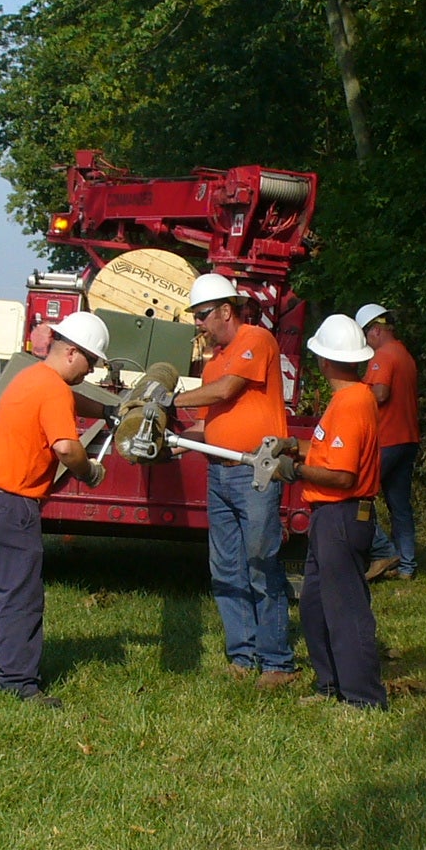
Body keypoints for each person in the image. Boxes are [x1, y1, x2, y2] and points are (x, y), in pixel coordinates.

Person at [0, 311, 112, 705]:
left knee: (9, 588)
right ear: (72, 353)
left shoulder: (33, 376)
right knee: (24, 594)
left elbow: (70, 397)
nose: (91, 371)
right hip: (12, 499)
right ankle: (19, 681)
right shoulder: (53, 389)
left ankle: (0, 664)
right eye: (91, 362)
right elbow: (66, 447)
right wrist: (89, 472)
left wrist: (105, 411)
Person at [169, 273, 299, 688]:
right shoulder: (212, 364)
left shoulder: (256, 340)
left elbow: (227, 391)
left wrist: (168, 399)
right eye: (195, 317)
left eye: (203, 315)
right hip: (220, 473)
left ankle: (278, 663)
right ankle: (242, 656)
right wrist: (168, 440)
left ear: (226, 310)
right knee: (226, 567)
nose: (198, 324)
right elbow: (207, 428)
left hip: (253, 473)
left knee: (261, 564)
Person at [277, 314, 387, 710]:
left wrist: (295, 470)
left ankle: (363, 698)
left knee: (345, 607)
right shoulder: (347, 399)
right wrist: (295, 446)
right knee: (316, 604)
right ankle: (331, 686)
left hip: (342, 513)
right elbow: (332, 453)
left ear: (323, 360)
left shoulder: (353, 402)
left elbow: (342, 475)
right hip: (332, 515)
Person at [355, 303, 420, 581]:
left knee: (357, 494)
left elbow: (379, 394)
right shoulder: (405, 355)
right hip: (408, 439)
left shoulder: (382, 356)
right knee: (400, 505)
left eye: (365, 335)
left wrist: (354, 399)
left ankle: (383, 551)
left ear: (376, 330)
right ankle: (406, 566)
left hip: (387, 440)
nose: (365, 343)